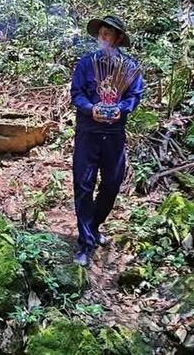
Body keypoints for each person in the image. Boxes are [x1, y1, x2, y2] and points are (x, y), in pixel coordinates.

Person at [70, 15, 144, 267]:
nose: (103, 37)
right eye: (101, 33)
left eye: (108, 34)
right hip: (88, 132)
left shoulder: (129, 67)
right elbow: (77, 93)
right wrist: (91, 108)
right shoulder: (86, 63)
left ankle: (93, 225)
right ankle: (86, 242)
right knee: (83, 185)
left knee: (112, 184)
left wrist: (120, 109)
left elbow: (135, 95)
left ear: (118, 39)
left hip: (114, 135)